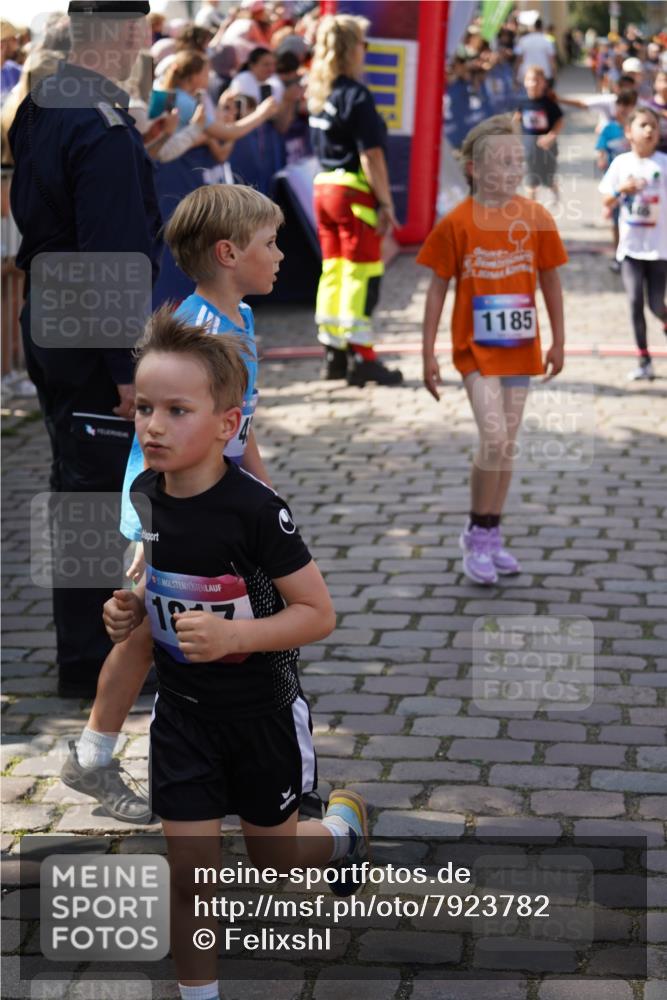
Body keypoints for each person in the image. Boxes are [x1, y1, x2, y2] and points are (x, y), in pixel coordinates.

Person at [103, 306, 369, 1000]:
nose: (153, 425)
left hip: (261, 714)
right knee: (190, 876)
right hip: (184, 716)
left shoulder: (256, 511)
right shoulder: (145, 492)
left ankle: (340, 831)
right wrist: (129, 604)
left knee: (274, 856)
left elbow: (318, 613)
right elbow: (147, 569)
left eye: (177, 410)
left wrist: (235, 637)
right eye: (145, 408)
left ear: (227, 425)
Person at [61, 185, 280, 823]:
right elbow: (153, 435)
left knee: (173, 632)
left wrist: (263, 496)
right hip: (171, 508)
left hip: (213, 504)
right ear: (228, 252)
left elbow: (238, 423)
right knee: (147, 635)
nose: (281, 256)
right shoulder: (196, 330)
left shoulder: (240, 319)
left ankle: (215, 759)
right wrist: (151, 520)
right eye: (270, 243)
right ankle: (95, 757)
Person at [8, 0, 162, 698]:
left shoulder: (47, 100)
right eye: (147, 24)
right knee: (97, 500)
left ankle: (83, 658)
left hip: (51, 313)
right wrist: (127, 370)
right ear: (129, 33)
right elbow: (111, 257)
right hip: (89, 326)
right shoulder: (100, 125)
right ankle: (92, 663)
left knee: (79, 492)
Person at [418, 115, 567, 585]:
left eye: (518, 160)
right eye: (501, 161)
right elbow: (437, 289)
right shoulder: (456, 223)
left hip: (521, 347)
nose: (512, 169)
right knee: (495, 438)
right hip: (474, 351)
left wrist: (560, 338)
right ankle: (477, 531)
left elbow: (550, 280)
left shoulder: (537, 216)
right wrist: (428, 352)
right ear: (474, 169)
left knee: (507, 445)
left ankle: (490, 535)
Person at [307, 13, 402, 386]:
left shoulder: (320, 92)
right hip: (353, 192)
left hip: (324, 188)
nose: (368, 50)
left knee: (334, 272)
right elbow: (371, 156)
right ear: (352, 49)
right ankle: (363, 358)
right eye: (365, 43)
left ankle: (333, 353)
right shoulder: (356, 95)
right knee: (363, 275)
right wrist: (386, 203)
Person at [599, 106, 667, 381]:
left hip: (660, 248)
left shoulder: (663, 163)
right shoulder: (621, 164)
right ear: (629, 132)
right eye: (643, 125)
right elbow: (605, 198)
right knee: (634, 299)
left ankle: (664, 318)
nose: (650, 130)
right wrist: (619, 191)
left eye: (654, 125)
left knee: (654, 304)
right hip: (630, 248)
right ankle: (644, 360)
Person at [595, 89, 637, 271]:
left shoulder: (637, 129)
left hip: (636, 182)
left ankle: (635, 254)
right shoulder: (609, 128)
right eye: (622, 104)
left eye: (629, 105)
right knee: (616, 220)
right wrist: (601, 157)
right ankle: (618, 254)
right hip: (616, 182)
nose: (625, 109)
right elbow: (601, 149)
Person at [515, 65, 564, 201]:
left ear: (544, 83)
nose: (533, 83)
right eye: (530, 80)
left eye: (537, 80)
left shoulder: (548, 103)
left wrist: (551, 136)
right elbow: (518, 116)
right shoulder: (523, 101)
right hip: (529, 149)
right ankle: (531, 212)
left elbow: (559, 121)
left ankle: (555, 192)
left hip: (548, 148)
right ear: (525, 82)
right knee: (531, 182)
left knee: (547, 180)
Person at [513, 17, 557, 89]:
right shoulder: (547, 40)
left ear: (533, 27)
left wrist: (515, 75)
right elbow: (552, 60)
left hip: (527, 74)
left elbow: (518, 59)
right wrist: (554, 75)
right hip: (544, 74)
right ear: (542, 27)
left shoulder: (523, 40)